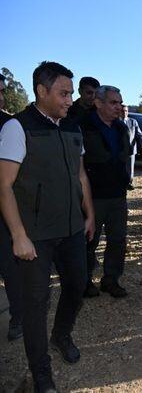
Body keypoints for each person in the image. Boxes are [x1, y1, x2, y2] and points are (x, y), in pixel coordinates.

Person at [0, 61, 95, 392]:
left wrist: (90, 214)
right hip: (34, 237)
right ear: (41, 91)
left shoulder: (72, 128)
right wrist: (18, 235)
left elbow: (80, 175)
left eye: (70, 93)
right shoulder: (17, 128)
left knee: (77, 286)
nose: (70, 100)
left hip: (70, 230)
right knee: (35, 306)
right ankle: (42, 375)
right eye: (63, 93)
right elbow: (4, 186)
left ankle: (62, 334)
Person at [80, 85, 131, 298]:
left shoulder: (121, 128)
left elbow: (124, 158)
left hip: (117, 196)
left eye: (119, 102)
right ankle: (84, 281)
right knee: (89, 241)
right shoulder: (83, 126)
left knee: (117, 240)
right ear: (98, 103)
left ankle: (111, 280)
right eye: (113, 102)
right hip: (93, 197)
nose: (118, 107)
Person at [0, 73, 24, 342]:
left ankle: (18, 316)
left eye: (2, 91)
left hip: (4, 212)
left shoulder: (11, 125)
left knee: (11, 268)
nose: (1, 97)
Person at [121, 105, 142, 190]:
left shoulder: (133, 122)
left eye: (126, 111)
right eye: (122, 111)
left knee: (130, 168)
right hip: (119, 150)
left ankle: (129, 183)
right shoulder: (115, 122)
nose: (124, 112)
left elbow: (139, 134)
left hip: (131, 149)